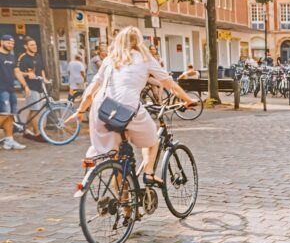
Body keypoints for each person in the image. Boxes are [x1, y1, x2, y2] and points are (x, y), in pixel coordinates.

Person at [68, 27, 195, 185]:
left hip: (102, 109)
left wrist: (80, 111)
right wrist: (188, 100)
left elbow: (90, 92)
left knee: (117, 158)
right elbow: (169, 84)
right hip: (127, 107)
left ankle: (123, 203)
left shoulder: (109, 60)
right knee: (153, 141)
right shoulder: (145, 58)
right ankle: (148, 174)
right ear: (139, 41)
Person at [15, 37, 47, 140]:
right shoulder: (23, 58)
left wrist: (45, 79)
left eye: (35, 44)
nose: (35, 46)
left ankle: (27, 130)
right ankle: (37, 133)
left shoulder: (38, 56)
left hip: (38, 86)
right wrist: (27, 75)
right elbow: (17, 72)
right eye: (32, 45)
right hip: (30, 87)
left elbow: (41, 69)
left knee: (33, 109)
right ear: (26, 46)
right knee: (36, 110)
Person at [0, 35, 26, 150]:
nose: (10, 45)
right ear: (2, 42)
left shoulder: (11, 56)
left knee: (10, 116)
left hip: (11, 89)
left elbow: (17, 71)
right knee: (4, 114)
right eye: (8, 43)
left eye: (12, 43)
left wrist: (25, 85)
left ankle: (9, 141)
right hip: (1, 90)